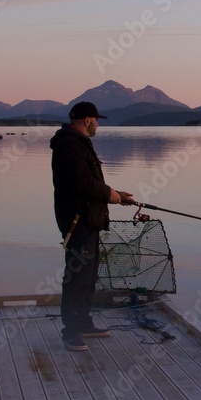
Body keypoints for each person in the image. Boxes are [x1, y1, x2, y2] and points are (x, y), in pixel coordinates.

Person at [50, 101, 134, 351]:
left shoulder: (77, 143)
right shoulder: (69, 145)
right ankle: (71, 330)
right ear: (87, 120)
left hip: (89, 219)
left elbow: (87, 183)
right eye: (96, 120)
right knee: (77, 277)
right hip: (78, 222)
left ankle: (83, 322)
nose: (98, 124)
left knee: (88, 276)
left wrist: (116, 194)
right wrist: (110, 194)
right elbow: (82, 182)